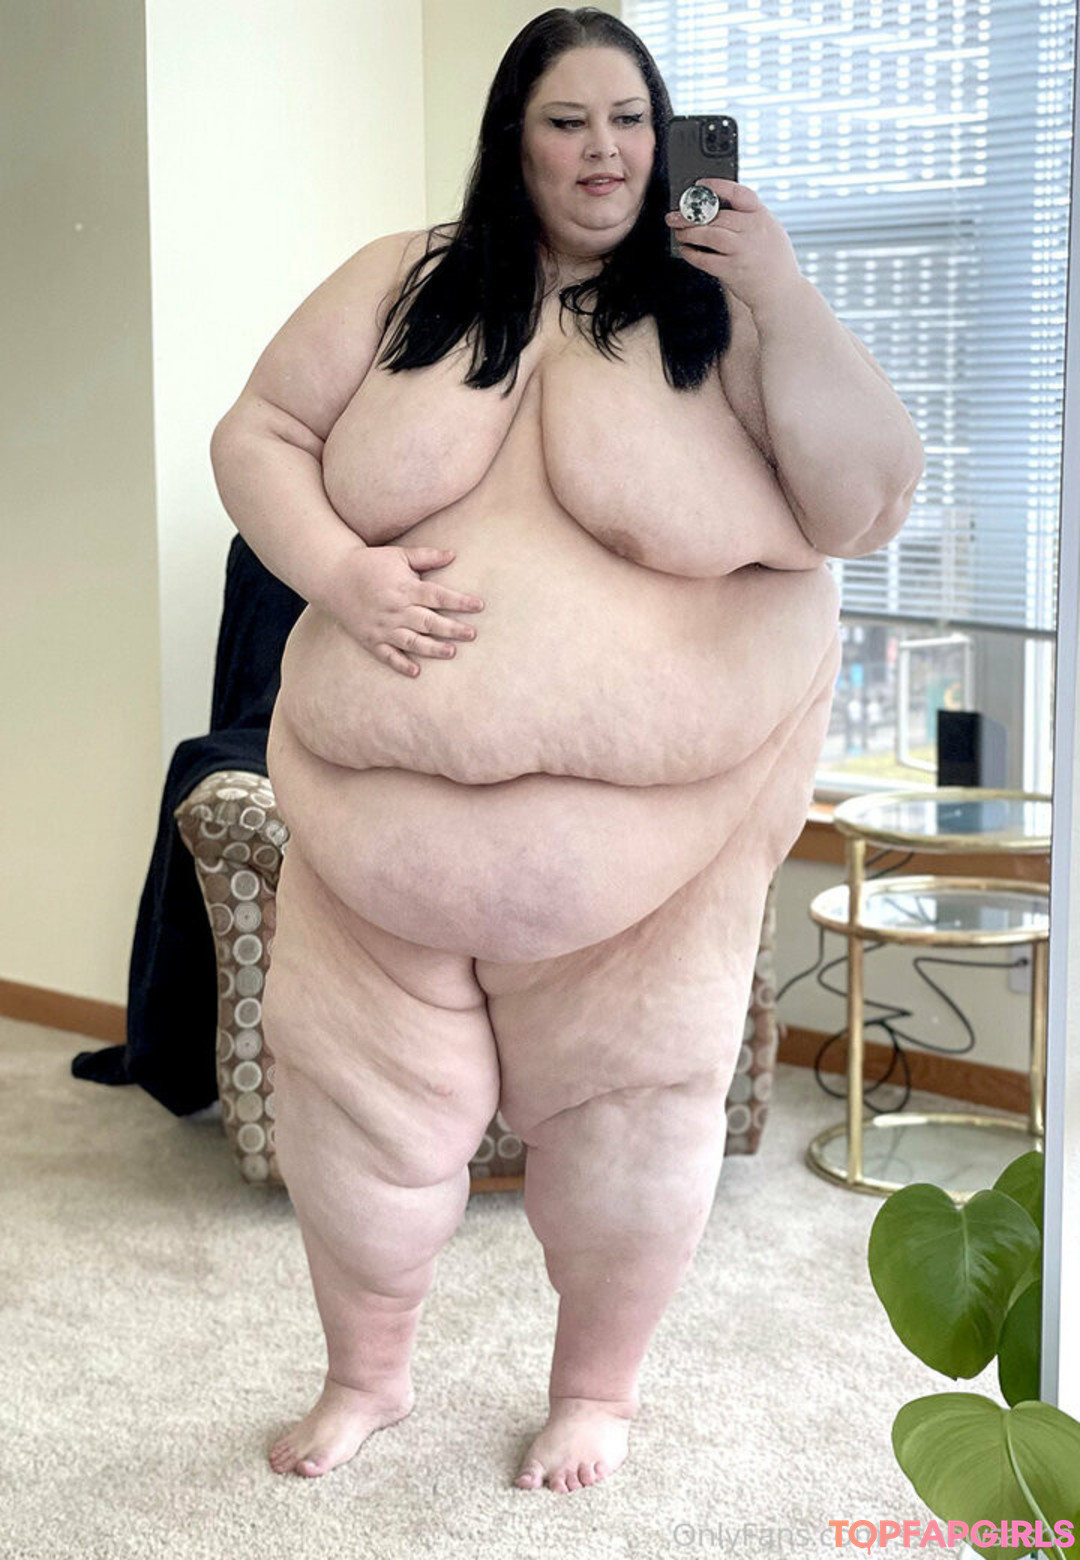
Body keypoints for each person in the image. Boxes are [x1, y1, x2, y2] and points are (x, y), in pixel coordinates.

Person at [209, 7, 924, 1494]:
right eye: (566, 120)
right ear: (513, 140)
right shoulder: (406, 280)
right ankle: (365, 1376)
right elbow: (257, 434)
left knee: (634, 1133)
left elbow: (861, 504)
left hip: (650, 863)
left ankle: (597, 1393)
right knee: (350, 1124)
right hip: (370, 830)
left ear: (665, 137)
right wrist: (341, 573)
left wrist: (782, 292)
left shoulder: (727, 310)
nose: (604, 151)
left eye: (628, 119)